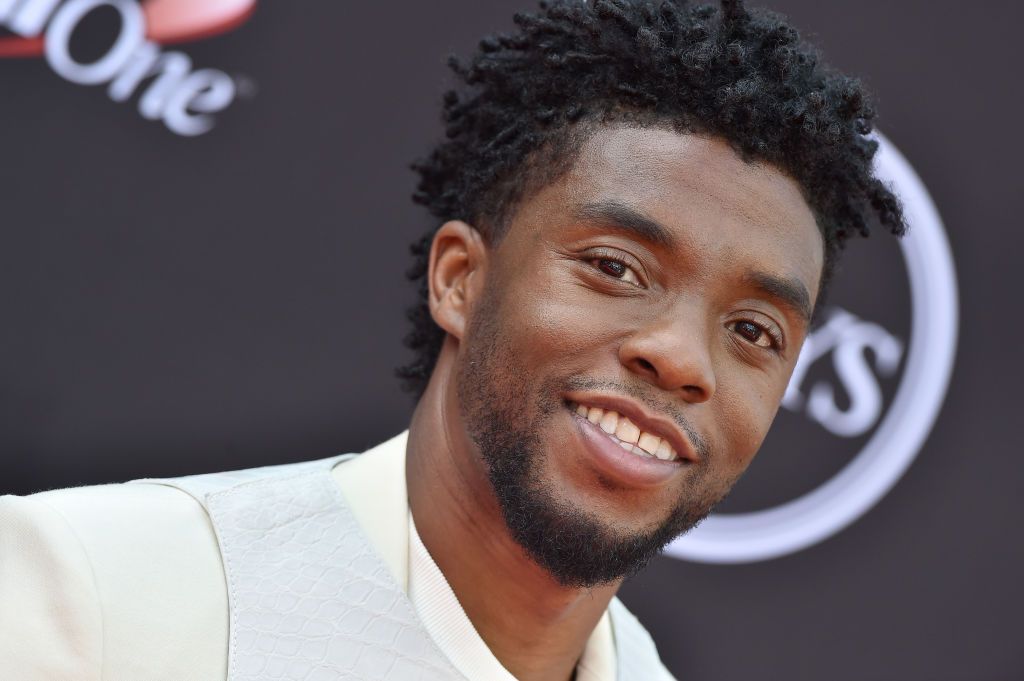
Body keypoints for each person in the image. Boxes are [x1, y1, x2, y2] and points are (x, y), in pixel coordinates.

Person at [0, 1, 905, 679]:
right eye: (616, 268)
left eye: (753, 330)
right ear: (460, 279)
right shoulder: (97, 593)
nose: (678, 356)